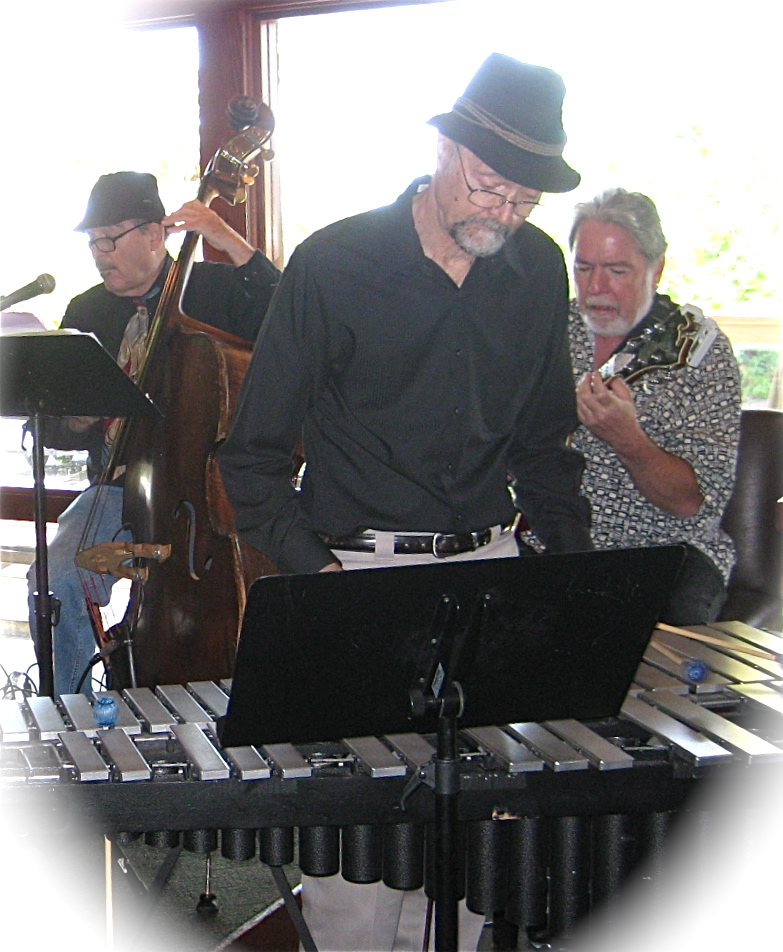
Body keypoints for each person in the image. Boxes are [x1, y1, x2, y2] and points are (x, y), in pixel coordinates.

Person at [219, 54, 591, 952]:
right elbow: (252, 457)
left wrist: (570, 586)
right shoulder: (334, 262)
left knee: (468, 874)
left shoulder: (537, 271)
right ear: (441, 146)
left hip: (488, 577)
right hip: (357, 575)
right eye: (490, 186)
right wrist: (321, 574)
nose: (501, 215)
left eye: (523, 203)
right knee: (357, 875)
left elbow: (544, 446)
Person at [27, 171, 280, 697]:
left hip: (206, 501)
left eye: (110, 238)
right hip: (118, 490)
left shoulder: (213, 291)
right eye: (92, 241)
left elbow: (289, 311)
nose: (99, 253)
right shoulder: (87, 311)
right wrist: (73, 420)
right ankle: (70, 712)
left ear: (154, 233)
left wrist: (226, 238)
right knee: (53, 583)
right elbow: (58, 428)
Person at [544, 187, 741, 623]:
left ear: (657, 268)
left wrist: (628, 440)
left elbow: (694, 505)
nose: (596, 287)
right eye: (583, 267)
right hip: (551, 543)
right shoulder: (550, 328)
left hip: (666, 553)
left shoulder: (699, 352)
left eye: (617, 270)